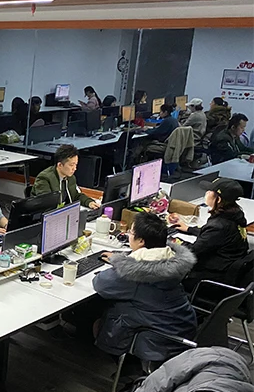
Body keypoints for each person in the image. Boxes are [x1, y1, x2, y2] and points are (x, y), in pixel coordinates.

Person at [92, 212, 197, 363]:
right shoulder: (172, 260)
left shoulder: (139, 272)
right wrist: (123, 260)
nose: (128, 235)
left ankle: (128, 366)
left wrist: (123, 263)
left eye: (131, 232)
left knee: (94, 309)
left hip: (157, 340)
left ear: (141, 241)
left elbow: (100, 284)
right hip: (181, 327)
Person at [168, 178, 248, 290]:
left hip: (212, 277)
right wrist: (189, 229)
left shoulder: (218, 225)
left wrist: (170, 241)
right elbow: (216, 237)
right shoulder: (234, 215)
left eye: (210, 192)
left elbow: (191, 251)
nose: (206, 193)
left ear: (218, 199)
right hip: (226, 265)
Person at [32, 144, 100, 209]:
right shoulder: (44, 178)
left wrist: (89, 202)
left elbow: (76, 195)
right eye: (71, 165)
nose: (75, 168)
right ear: (60, 165)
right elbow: (46, 204)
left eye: (76, 164)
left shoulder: (71, 177)